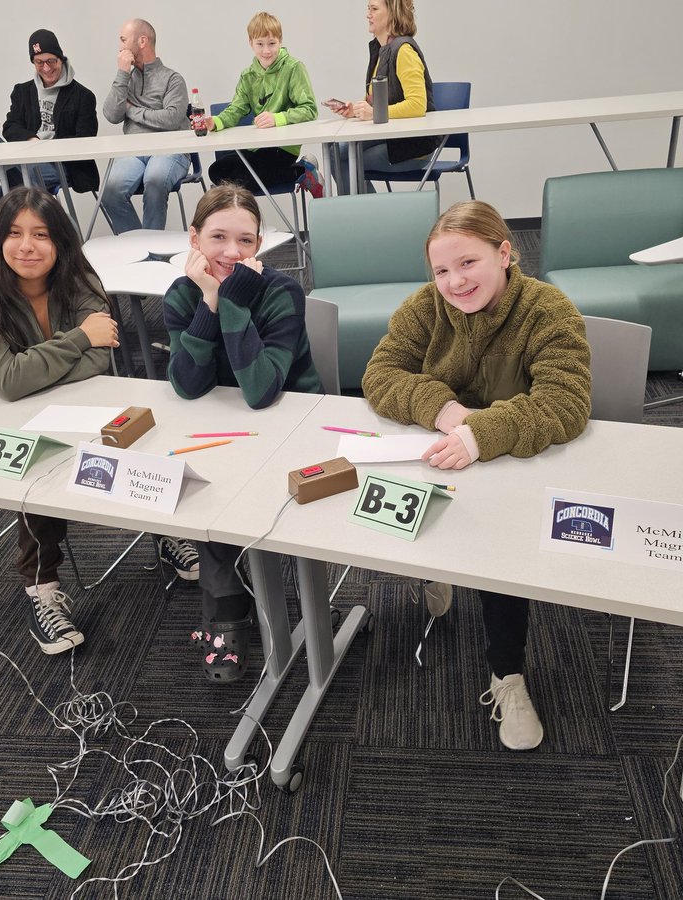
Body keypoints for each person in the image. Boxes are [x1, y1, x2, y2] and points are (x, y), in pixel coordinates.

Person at [362, 200, 592, 749]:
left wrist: (480, 434)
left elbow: (565, 403)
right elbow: (380, 375)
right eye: (441, 270)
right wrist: (445, 413)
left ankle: (506, 673)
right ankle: (439, 565)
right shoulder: (424, 308)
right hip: (443, 456)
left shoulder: (547, 310)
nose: (454, 281)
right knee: (387, 514)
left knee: (499, 561)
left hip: (517, 463)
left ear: (505, 254)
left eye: (468, 263)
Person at [0, 187, 120, 655]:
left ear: (60, 241)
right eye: (14, 233)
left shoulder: (81, 279)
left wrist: (12, 372)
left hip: (93, 400)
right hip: (21, 420)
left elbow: (100, 364)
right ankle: (41, 589)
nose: (27, 246)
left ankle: (169, 538)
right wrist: (77, 338)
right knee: (37, 476)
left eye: (41, 234)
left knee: (138, 441)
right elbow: (12, 382)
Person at [163, 183, 322, 681]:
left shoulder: (281, 291)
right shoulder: (181, 293)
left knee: (228, 486)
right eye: (218, 237)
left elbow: (260, 389)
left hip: (291, 424)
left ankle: (229, 612)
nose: (233, 252)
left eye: (246, 241)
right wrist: (208, 302)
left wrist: (229, 301)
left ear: (260, 243)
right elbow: (188, 386)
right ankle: (229, 605)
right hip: (221, 428)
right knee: (202, 485)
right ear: (194, 238)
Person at [197, 11, 319, 193]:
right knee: (217, 171)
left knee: (238, 183)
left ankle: (303, 169)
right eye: (260, 44)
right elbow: (237, 108)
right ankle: (298, 170)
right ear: (251, 43)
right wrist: (215, 122)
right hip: (256, 148)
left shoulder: (293, 68)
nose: (266, 50)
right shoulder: (248, 75)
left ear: (280, 41)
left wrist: (277, 118)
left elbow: (309, 109)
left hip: (283, 148)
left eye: (272, 43)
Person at [331, 0, 444, 193]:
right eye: (368, 8)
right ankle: (366, 216)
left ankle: (367, 219)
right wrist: (356, 110)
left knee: (350, 161)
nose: (368, 14)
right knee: (337, 152)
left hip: (413, 147)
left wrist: (375, 113)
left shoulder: (404, 51)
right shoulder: (381, 49)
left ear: (392, 13)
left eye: (374, 9)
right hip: (392, 138)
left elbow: (418, 105)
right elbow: (377, 100)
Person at [0, 29, 99, 196]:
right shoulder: (22, 91)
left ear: (60, 59)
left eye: (51, 61)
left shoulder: (83, 96)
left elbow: (85, 139)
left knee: (11, 186)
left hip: (61, 165)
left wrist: (45, 149)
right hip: (25, 158)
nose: (46, 68)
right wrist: (32, 140)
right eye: (39, 62)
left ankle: (13, 189)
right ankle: (18, 185)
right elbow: (11, 127)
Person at [99, 18, 190, 232]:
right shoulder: (127, 79)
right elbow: (111, 115)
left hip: (170, 150)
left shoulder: (173, 79)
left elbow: (170, 120)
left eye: (123, 40)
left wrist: (131, 110)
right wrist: (122, 73)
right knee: (110, 191)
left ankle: (154, 257)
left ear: (142, 41)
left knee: (156, 181)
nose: (120, 47)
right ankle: (139, 249)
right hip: (134, 151)